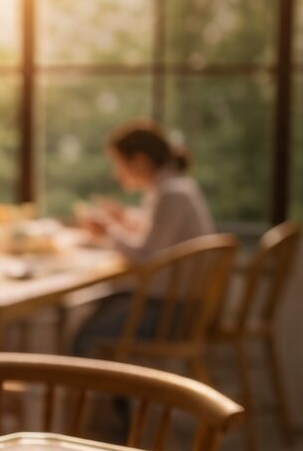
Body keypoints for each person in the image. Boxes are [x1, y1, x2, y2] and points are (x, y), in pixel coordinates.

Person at [72, 119, 214, 356]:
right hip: (177, 304)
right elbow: (158, 234)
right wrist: (123, 220)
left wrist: (108, 230)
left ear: (139, 160)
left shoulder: (171, 193)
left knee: (85, 335)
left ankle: (99, 391)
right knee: (95, 304)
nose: (115, 172)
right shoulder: (174, 187)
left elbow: (146, 257)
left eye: (118, 163)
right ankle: (112, 393)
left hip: (172, 312)